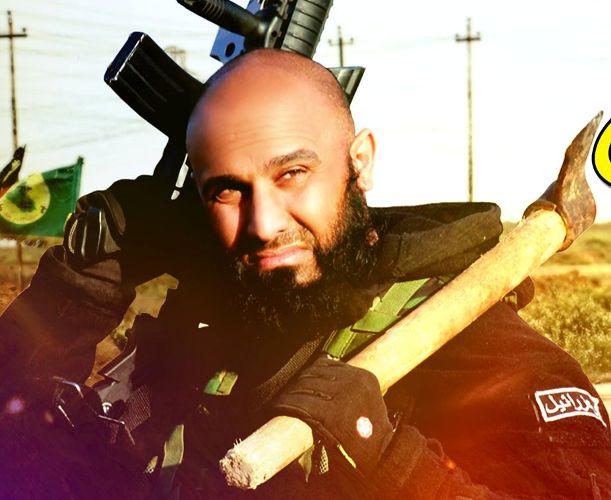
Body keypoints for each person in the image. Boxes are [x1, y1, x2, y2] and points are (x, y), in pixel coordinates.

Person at [0, 48, 610, 499]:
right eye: (227, 191)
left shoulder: (471, 347)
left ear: (359, 162)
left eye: (291, 174)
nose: (264, 223)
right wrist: (75, 291)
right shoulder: (206, 332)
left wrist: (389, 459)